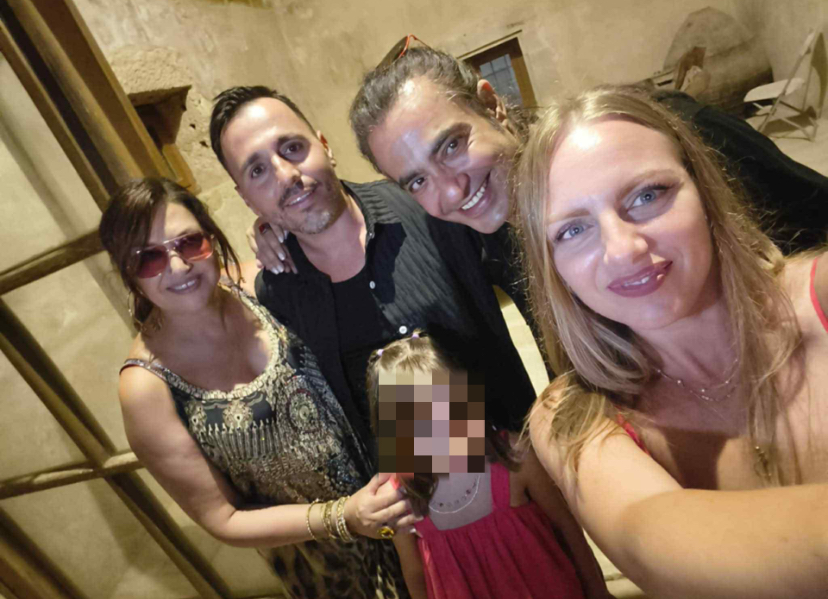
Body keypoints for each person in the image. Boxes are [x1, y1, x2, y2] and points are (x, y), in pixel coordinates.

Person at [513, 84, 828, 599]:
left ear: (704, 190)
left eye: (647, 196)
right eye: (572, 231)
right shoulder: (572, 417)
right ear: (552, 268)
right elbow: (653, 539)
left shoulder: (819, 299)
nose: (624, 250)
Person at [99, 177, 417, 599]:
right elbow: (223, 519)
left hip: (404, 498)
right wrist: (344, 516)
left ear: (211, 238)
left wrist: (273, 227)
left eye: (189, 243)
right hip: (332, 571)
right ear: (128, 274)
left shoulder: (260, 284)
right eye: (149, 258)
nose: (178, 266)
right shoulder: (146, 387)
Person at [208, 85, 536, 459]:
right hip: (414, 492)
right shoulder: (278, 294)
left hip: (523, 470)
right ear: (245, 197)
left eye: (293, 148)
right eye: (258, 171)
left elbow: (536, 299)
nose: (285, 175)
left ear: (324, 146)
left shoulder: (429, 208)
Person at [366, 331, 609, 599]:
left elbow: (566, 526)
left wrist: (597, 590)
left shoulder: (515, 457)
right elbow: (415, 576)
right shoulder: (398, 499)